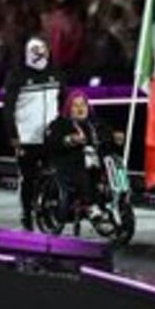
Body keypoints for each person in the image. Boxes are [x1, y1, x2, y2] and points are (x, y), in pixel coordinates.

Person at [2, 37, 66, 230]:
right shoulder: (17, 76)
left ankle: (51, 211)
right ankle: (26, 213)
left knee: (56, 174)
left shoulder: (57, 74)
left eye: (43, 49)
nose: (40, 53)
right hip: (27, 137)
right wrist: (14, 135)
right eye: (36, 50)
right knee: (28, 177)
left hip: (50, 136)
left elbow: (64, 102)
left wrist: (62, 128)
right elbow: (8, 108)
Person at [46, 90, 123, 222]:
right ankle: (90, 205)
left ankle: (119, 198)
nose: (80, 109)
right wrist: (69, 139)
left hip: (95, 162)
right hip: (69, 163)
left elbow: (108, 135)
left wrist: (116, 137)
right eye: (75, 105)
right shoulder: (60, 124)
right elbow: (52, 141)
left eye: (83, 105)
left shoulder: (95, 124)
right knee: (83, 171)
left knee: (114, 163)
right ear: (69, 108)